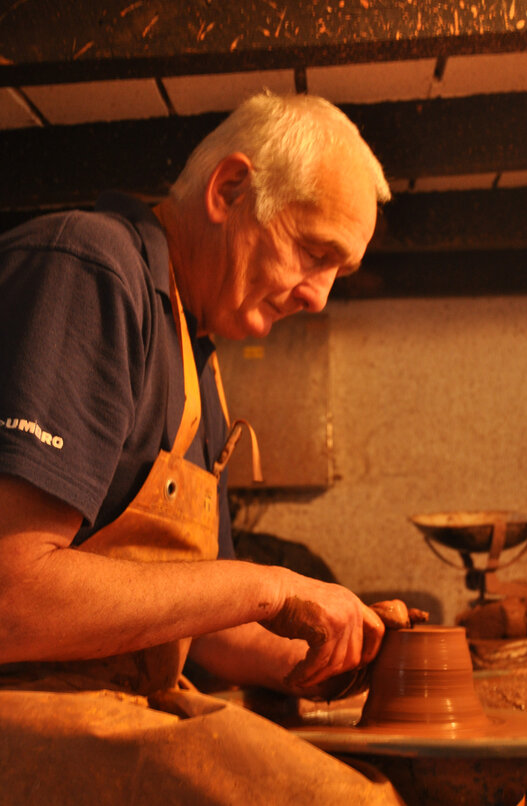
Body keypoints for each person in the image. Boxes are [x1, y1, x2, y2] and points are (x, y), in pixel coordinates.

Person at [0, 92, 402, 804]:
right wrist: (271, 584)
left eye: (337, 271)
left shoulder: (196, 351)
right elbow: (11, 596)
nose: (319, 299)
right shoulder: (89, 270)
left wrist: (336, 654)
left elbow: (199, 628)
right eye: (315, 254)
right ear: (230, 189)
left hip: (110, 694)